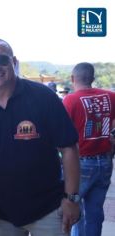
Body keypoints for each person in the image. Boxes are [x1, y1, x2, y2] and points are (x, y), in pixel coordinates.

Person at [0, 38, 80, 235]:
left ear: (14, 61)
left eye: (2, 59)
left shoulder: (43, 97)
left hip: (49, 209)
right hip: (1, 214)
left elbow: (69, 148)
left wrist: (71, 199)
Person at [63, 62, 115, 236]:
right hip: (105, 162)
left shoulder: (70, 100)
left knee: (70, 211)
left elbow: (60, 133)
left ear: (72, 78)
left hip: (81, 164)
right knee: (95, 213)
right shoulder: (110, 96)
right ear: (93, 78)